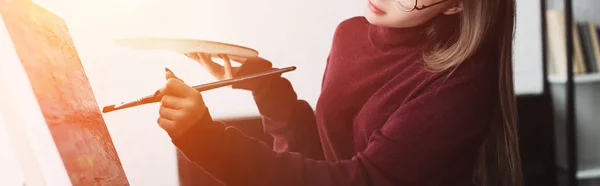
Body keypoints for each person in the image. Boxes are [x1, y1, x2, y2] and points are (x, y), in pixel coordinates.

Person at [155, 0, 523, 185]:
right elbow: (320, 155)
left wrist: (205, 138)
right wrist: (264, 82)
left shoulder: (459, 84)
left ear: (458, 5)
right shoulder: (350, 34)